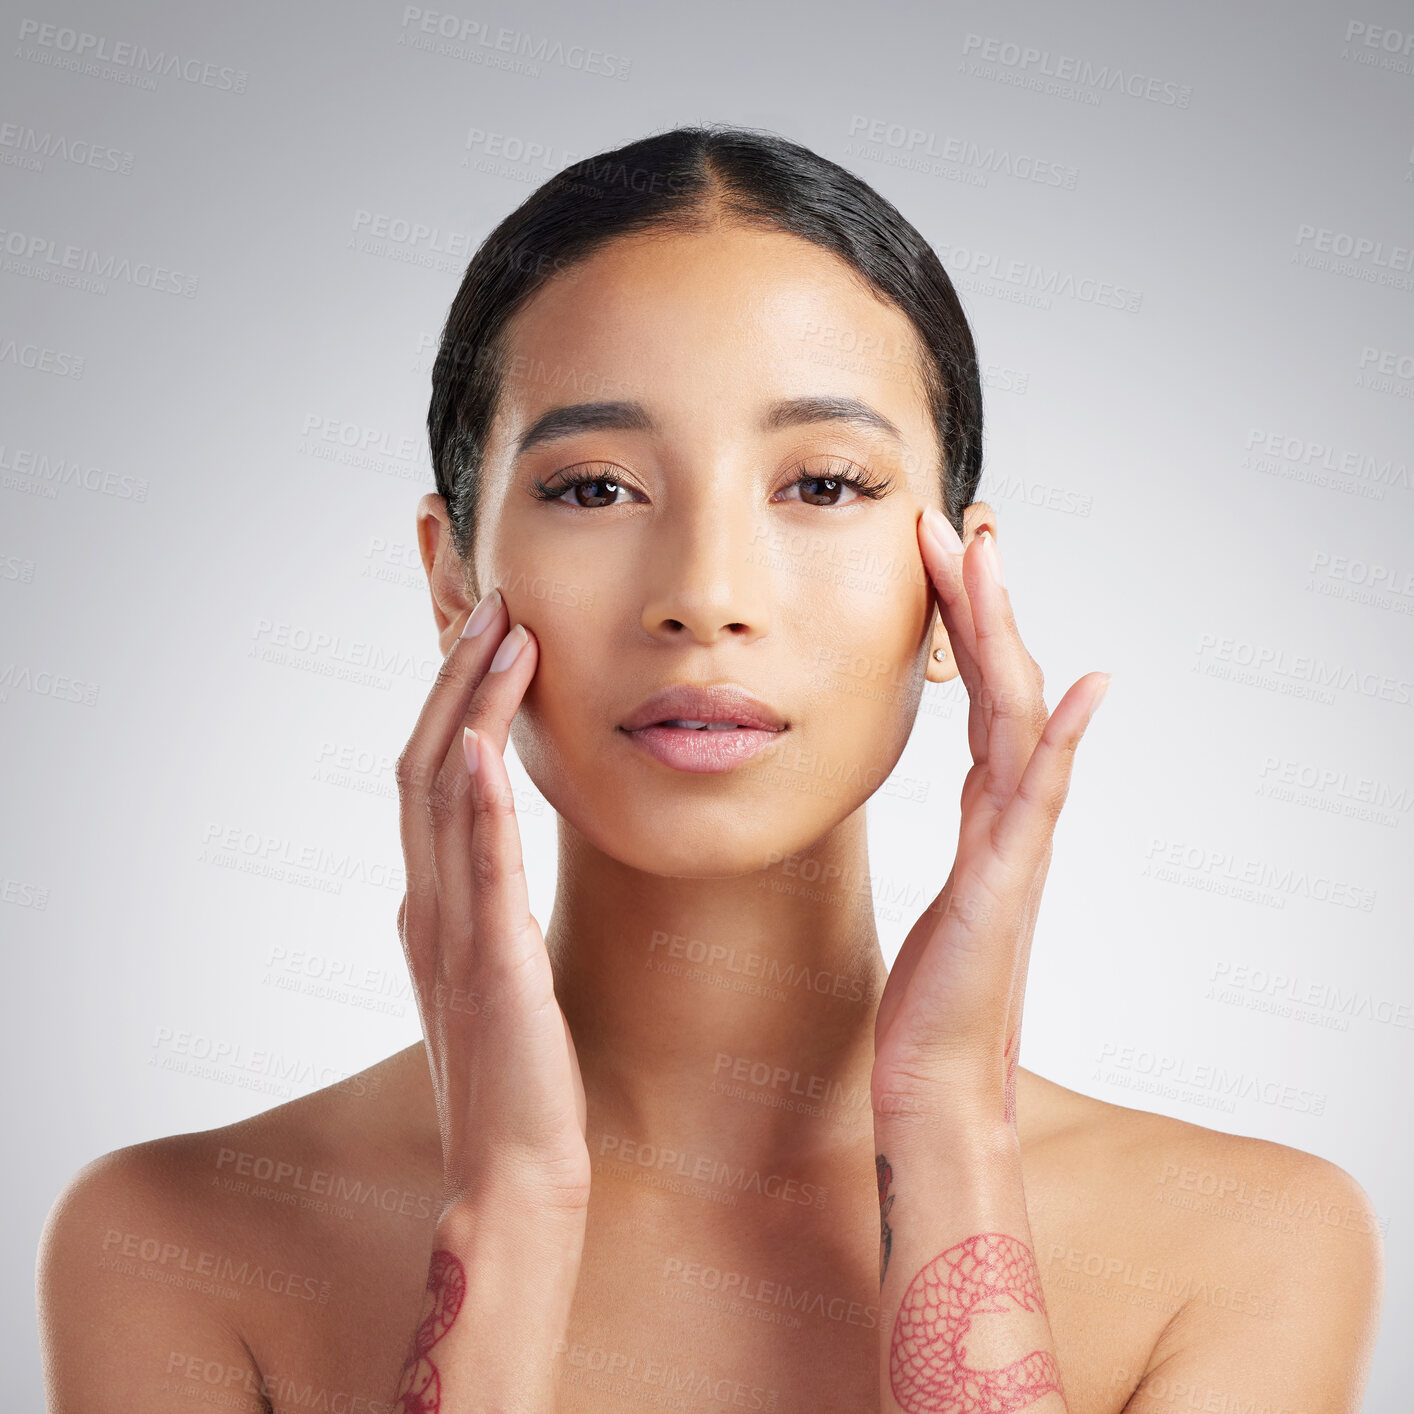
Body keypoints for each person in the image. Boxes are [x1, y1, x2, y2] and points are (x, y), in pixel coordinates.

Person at [37, 124, 1382, 1414]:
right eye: (594, 488)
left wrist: (951, 1131)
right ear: (453, 581)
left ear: (957, 587)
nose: (705, 593)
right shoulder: (179, 1242)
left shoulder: (1243, 1248)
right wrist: (507, 1203)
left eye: (824, 483)